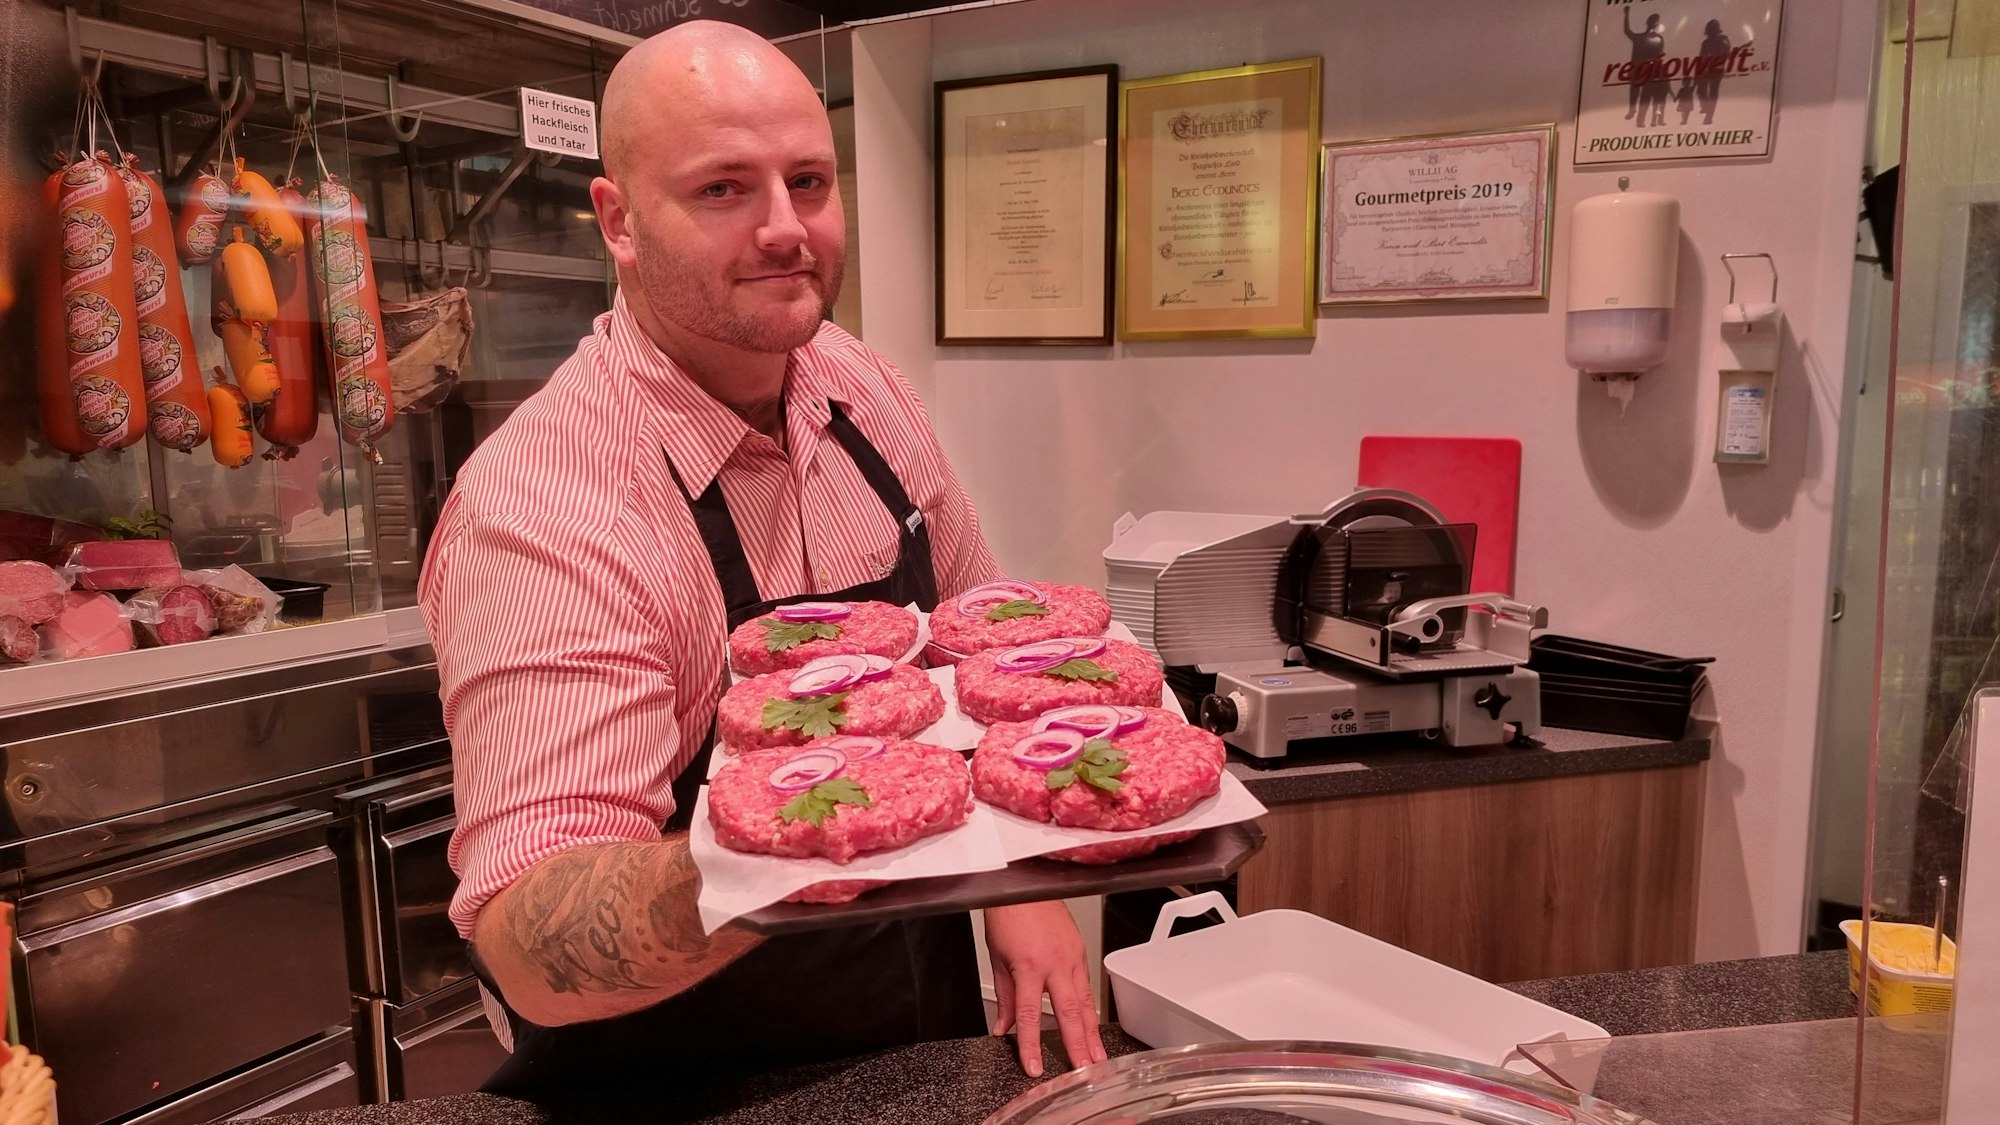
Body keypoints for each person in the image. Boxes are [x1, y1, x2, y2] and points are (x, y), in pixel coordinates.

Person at [417, 20, 1104, 1117]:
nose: (786, 228)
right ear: (619, 221)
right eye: (724, 188)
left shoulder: (857, 385)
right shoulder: (549, 504)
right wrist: (811, 833)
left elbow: (973, 643)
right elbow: (531, 940)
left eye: (808, 181)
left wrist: (1018, 886)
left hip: (914, 1031)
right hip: (677, 1079)